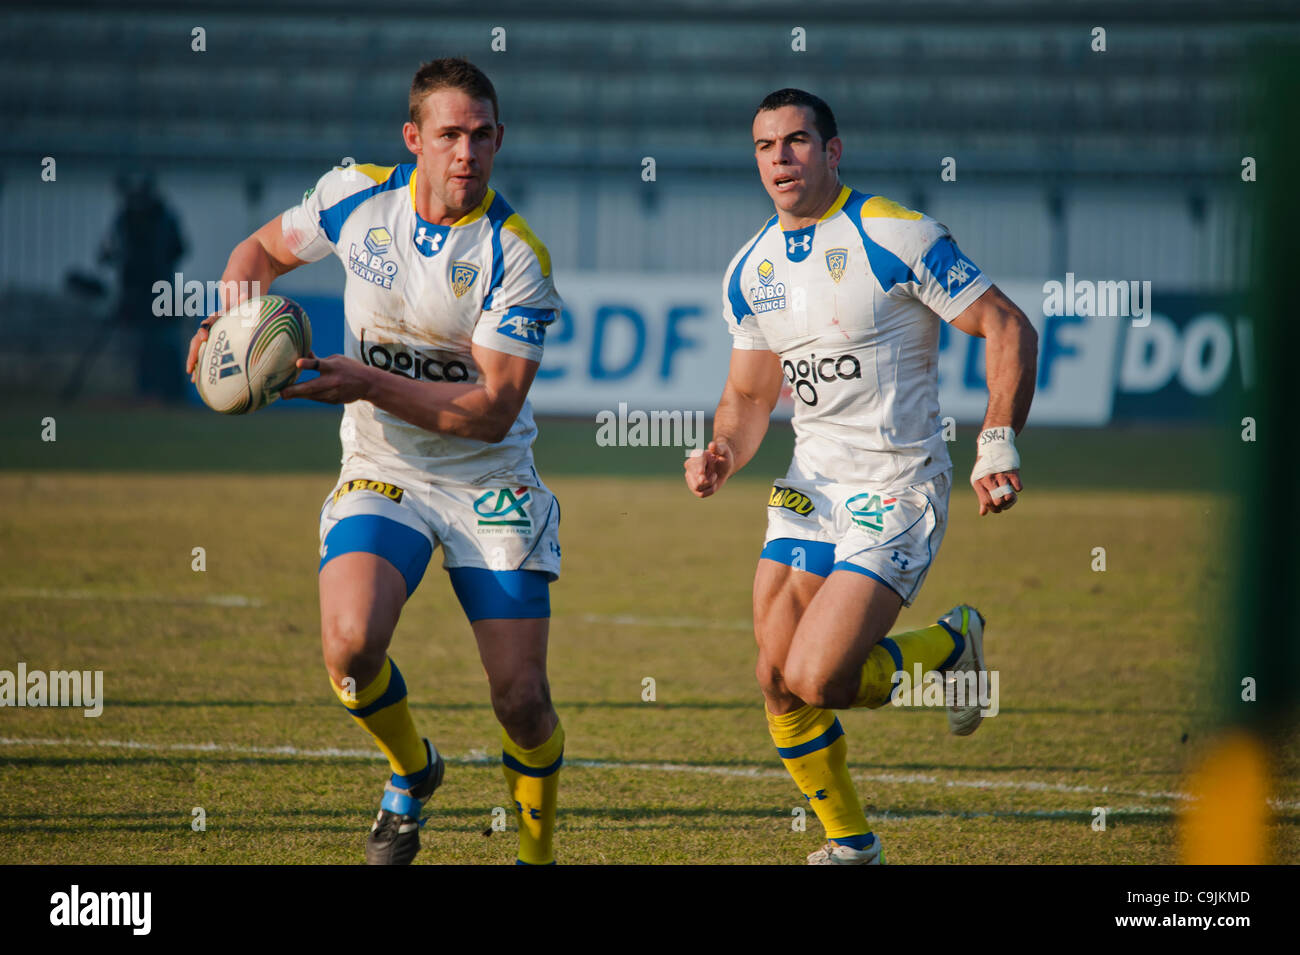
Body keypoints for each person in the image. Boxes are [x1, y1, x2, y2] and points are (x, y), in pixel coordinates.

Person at [186, 58, 565, 865]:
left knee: (523, 701)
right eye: (450, 134)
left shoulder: (517, 256)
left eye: (483, 135)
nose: (467, 152)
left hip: (488, 479)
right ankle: (411, 771)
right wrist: (230, 325)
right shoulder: (355, 196)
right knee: (351, 646)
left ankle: (536, 855)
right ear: (414, 139)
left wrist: (365, 380)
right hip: (383, 468)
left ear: (500, 140)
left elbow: (491, 409)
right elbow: (257, 250)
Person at [684, 89, 1038, 864]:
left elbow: (1008, 325)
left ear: (831, 152)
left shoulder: (895, 234)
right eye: (766, 145)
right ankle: (853, 847)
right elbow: (748, 394)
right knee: (777, 677)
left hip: (897, 485)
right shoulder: (750, 270)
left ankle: (949, 648)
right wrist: (720, 450)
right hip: (810, 486)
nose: (781, 157)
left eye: (797, 141)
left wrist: (998, 441)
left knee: (820, 675)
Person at [100, 173, 187, 401]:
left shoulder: (164, 218)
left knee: (165, 343)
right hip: (136, 291)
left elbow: (179, 248)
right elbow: (107, 251)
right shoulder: (125, 220)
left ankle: (171, 393)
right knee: (144, 345)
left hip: (160, 290)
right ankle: (147, 392)